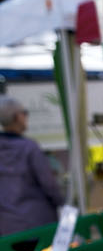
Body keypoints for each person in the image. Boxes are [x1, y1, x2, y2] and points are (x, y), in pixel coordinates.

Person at [0, 96, 64, 237]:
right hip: (37, 223)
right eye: (25, 113)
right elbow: (48, 184)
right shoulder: (29, 148)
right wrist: (62, 202)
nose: (26, 117)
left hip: (6, 226)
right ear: (17, 117)